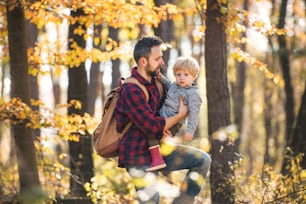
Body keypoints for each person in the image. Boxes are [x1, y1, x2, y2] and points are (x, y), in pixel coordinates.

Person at [115, 36, 211, 204]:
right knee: (152, 201)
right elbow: (152, 127)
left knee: (202, 160)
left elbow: (171, 114)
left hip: (160, 149)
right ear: (143, 61)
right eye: (158, 58)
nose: (162, 62)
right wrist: (180, 115)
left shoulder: (157, 83)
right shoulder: (131, 89)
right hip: (138, 156)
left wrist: (175, 126)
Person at [146, 56, 203, 172]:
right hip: (162, 116)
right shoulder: (175, 86)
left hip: (173, 122)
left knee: (153, 133)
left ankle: (158, 159)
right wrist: (160, 77)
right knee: (150, 130)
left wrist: (190, 130)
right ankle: (157, 156)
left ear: (194, 76)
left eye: (186, 75)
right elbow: (168, 84)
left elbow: (194, 114)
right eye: (178, 74)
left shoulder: (193, 94)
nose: (181, 77)